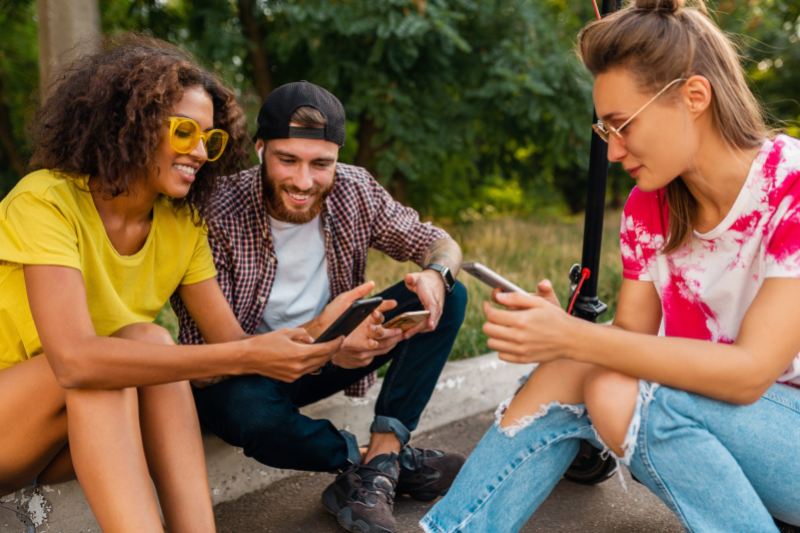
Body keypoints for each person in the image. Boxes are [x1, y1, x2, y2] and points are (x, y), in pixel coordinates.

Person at [421, 1, 800, 532]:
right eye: (605, 131)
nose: (615, 150)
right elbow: (626, 343)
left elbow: (749, 374)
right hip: (730, 429)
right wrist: (567, 340)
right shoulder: (650, 208)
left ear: (694, 97)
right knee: (583, 373)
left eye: (623, 125)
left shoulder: (792, 185)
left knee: (614, 382)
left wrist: (573, 338)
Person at [0, 35, 346, 533]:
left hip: (67, 438)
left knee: (148, 341)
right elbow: (75, 361)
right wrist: (240, 357)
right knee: (106, 365)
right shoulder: (46, 202)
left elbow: (236, 349)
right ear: (131, 122)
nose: (201, 151)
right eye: (185, 132)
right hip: (11, 427)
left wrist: (327, 333)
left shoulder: (181, 225)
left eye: (211, 138)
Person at [171, 80, 469, 533]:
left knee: (449, 296)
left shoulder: (355, 188)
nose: (303, 181)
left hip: (333, 351)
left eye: (321, 164)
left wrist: (436, 274)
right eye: (287, 159)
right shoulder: (214, 209)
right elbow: (213, 366)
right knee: (247, 412)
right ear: (260, 149)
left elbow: (436, 242)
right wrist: (330, 346)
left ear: (336, 159)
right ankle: (369, 464)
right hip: (245, 375)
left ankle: (383, 457)